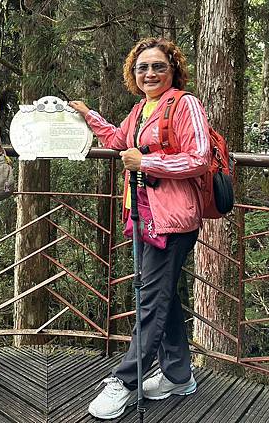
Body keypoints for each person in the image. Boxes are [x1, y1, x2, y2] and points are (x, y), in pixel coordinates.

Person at [70, 37, 211, 420]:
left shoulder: (185, 104)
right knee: (162, 294)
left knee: (150, 297)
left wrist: (148, 164)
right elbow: (119, 140)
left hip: (173, 218)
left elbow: (199, 157)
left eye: (158, 66)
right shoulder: (141, 109)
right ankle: (178, 375)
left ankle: (126, 380)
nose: (149, 73)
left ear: (173, 69)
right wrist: (88, 115)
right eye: (142, 68)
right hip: (144, 215)